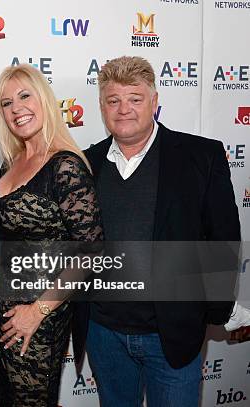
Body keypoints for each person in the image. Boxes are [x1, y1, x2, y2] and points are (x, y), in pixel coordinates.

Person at [72, 56, 241, 407]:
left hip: (173, 334)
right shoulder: (85, 163)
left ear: (154, 101)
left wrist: (210, 312)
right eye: (113, 100)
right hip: (104, 334)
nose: (124, 109)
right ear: (102, 106)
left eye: (135, 99)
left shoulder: (201, 155)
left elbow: (223, 239)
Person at [0, 64, 103, 407]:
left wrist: (38, 311)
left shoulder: (65, 166)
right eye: (5, 103)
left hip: (39, 314)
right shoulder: (12, 162)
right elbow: (3, 229)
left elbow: (90, 252)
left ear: (44, 100)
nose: (16, 108)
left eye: (24, 95)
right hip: (4, 309)